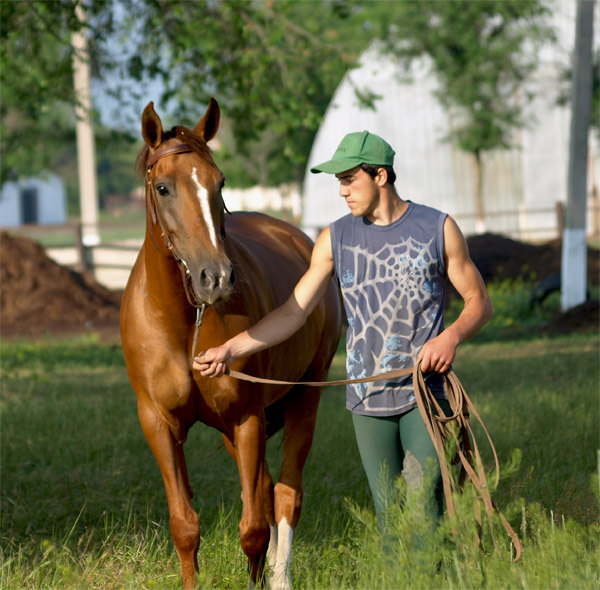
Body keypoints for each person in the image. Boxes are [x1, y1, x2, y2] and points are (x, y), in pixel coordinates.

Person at [194, 130, 492, 533]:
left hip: (426, 393)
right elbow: (293, 312)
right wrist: (231, 348)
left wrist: (450, 337)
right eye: (338, 181)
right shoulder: (334, 238)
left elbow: (479, 302)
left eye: (349, 179)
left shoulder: (437, 228)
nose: (341, 191)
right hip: (367, 398)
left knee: (425, 507)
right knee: (389, 515)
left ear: (381, 177)